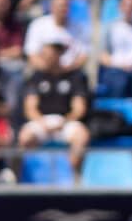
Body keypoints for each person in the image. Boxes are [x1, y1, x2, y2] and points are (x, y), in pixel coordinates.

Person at [16, 38, 89, 174]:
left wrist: (64, 122)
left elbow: (79, 108)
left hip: (65, 122)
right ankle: (24, 177)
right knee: (24, 138)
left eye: (48, 54)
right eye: (43, 54)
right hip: (41, 121)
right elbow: (30, 108)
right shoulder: (36, 77)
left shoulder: (74, 77)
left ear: (58, 54)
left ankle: (70, 176)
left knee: (81, 136)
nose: (44, 58)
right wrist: (42, 123)